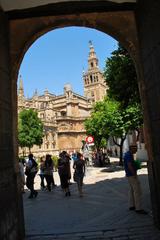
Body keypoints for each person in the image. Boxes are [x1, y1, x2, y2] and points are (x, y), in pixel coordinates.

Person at [123, 145, 147, 214]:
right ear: (131, 149)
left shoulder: (129, 154)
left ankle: (132, 205)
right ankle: (138, 208)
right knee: (137, 191)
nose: (136, 150)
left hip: (129, 175)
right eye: (135, 148)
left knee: (131, 190)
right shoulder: (129, 155)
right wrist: (134, 174)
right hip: (131, 175)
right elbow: (129, 165)